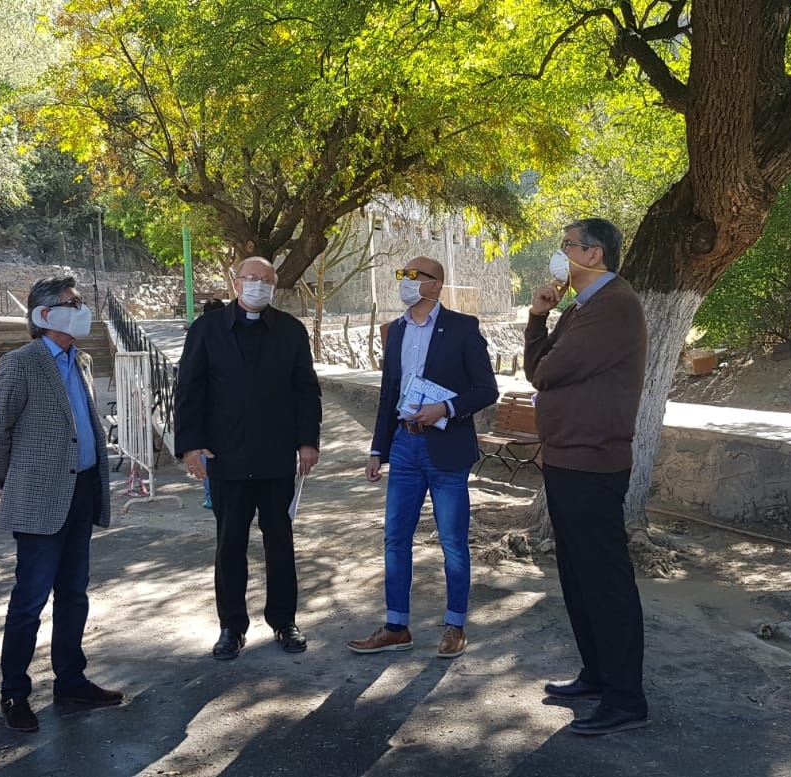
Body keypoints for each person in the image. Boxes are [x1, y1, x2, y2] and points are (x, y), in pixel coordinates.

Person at [524, 218, 651, 736]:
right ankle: (597, 675)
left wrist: (546, 356)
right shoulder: (580, 308)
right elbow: (539, 365)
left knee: (604, 579)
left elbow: (547, 373)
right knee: (578, 576)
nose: (560, 254)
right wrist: (538, 317)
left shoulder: (614, 305)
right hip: (567, 457)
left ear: (594, 254)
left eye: (567, 246)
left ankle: (626, 699)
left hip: (593, 461)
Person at [0, 276, 123, 733]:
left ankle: (71, 680)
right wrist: (9, 478)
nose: (81, 309)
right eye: (71, 303)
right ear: (44, 314)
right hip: (39, 498)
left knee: (74, 594)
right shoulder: (20, 364)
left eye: (80, 301)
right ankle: (14, 693)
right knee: (30, 600)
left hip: (81, 491)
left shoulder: (81, 360)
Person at [347, 256, 496, 659]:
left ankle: (455, 625)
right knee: (395, 538)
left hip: (446, 448)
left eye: (414, 275)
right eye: (402, 274)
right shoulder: (395, 330)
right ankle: (396, 626)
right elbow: (388, 392)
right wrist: (377, 449)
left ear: (435, 285)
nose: (405, 281)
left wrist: (445, 409)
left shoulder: (462, 328)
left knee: (452, 542)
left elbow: (486, 389)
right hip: (403, 447)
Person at [174, 257, 322, 660]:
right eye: (252, 278)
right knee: (230, 545)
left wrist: (307, 442)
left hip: (276, 456)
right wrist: (190, 445)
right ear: (236, 282)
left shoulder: (290, 331)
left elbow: (305, 390)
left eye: (267, 280)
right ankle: (231, 627)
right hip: (227, 456)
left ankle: (284, 620)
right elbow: (189, 389)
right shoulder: (207, 330)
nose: (259, 285)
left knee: (280, 543)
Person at [198, 298, 228, 510]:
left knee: (207, 453)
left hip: (207, 409)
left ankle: (211, 496)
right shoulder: (230, 335)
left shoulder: (200, 334)